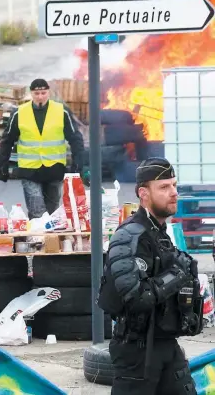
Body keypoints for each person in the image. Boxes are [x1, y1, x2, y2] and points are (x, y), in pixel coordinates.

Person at [98, 157, 203, 395]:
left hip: (166, 344)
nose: (174, 192)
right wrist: (177, 274)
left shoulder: (159, 234)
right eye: (164, 187)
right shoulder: (129, 237)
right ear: (143, 194)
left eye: (174, 185)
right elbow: (136, 298)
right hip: (137, 353)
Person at [0, 78, 85, 219]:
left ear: (48, 92)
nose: (40, 97)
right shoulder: (19, 113)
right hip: (30, 170)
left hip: (54, 169)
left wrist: (78, 164)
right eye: (37, 94)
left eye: (43, 93)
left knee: (52, 214)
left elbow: (75, 138)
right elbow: (7, 140)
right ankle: (37, 239)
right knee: (38, 212)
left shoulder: (62, 111)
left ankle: (49, 240)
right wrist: (2, 165)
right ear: (31, 94)